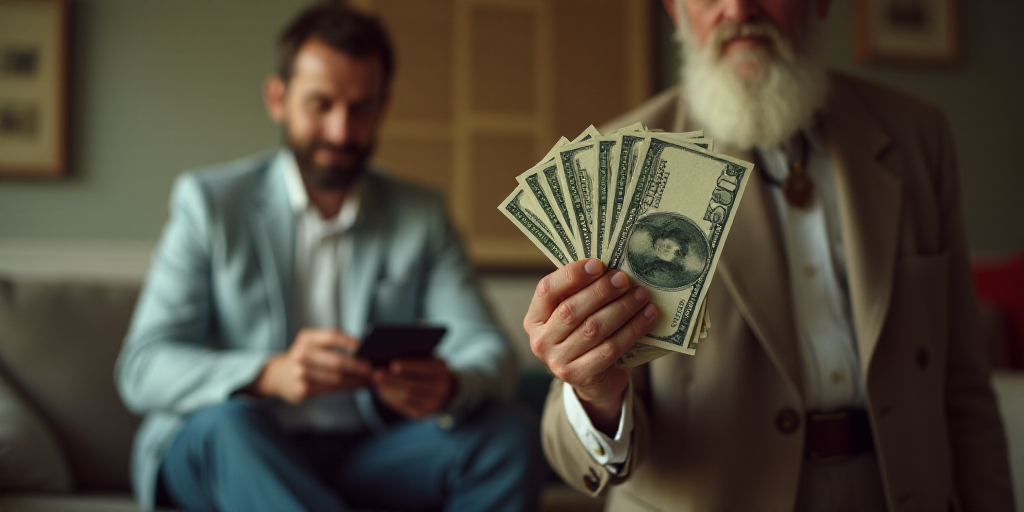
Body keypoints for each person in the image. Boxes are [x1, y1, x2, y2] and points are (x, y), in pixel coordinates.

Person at [527, 0, 1014, 511]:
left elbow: (964, 388)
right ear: (675, 10)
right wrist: (594, 393)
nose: (738, 9)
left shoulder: (919, 135)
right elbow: (571, 447)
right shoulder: (620, 164)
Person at [115, 4, 542, 511]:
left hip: (366, 451)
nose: (341, 131)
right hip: (242, 444)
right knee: (225, 426)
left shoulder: (421, 214)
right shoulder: (208, 203)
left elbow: (489, 351)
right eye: (321, 105)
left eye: (361, 108)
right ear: (278, 98)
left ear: (383, 106)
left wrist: (448, 386)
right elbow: (143, 367)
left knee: (507, 435)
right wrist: (267, 374)